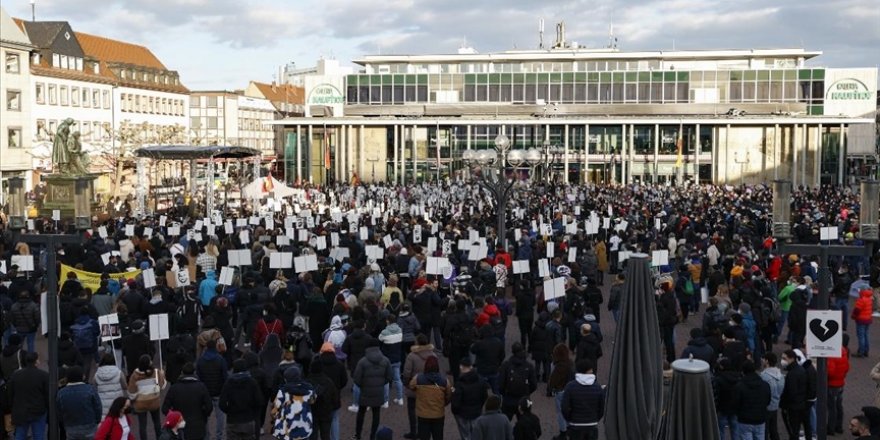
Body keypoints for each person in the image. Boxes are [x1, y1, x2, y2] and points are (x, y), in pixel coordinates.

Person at [162, 362, 213, 440]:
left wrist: (175, 417)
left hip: (180, 429)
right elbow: (209, 407)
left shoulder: (174, 388)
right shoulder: (201, 387)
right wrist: (203, 416)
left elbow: (165, 409)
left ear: (182, 372)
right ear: (194, 372)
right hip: (198, 427)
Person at [352, 340, 393, 440]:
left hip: (365, 391)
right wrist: (380, 384)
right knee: (376, 413)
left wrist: (363, 385)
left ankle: (358, 434)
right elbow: (389, 377)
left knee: (361, 412)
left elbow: (356, 379)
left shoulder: (362, 361)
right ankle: (373, 436)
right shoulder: (385, 360)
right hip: (378, 391)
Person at [219, 359, 264, 440]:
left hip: (233, 420)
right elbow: (259, 401)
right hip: (248, 419)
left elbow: (221, 403)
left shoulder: (229, 383)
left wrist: (229, 411)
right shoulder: (252, 382)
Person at [8, 351, 49, 440]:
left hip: (20, 410)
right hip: (38, 410)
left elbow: (10, 393)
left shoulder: (16, 375)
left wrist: (12, 408)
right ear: (36, 361)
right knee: (39, 436)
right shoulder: (43, 375)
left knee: (20, 435)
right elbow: (47, 394)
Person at [409, 355, 451, 440]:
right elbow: (448, 395)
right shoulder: (444, 381)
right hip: (438, 414)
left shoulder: (418, 378)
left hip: (423, 414)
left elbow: (411, 386)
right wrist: (443, 404)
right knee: (438, 436)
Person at [561, 359, 605, 440]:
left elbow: (564, 407)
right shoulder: (597, 387)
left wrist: (570, 419)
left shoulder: (570, 386)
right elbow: (602, 407)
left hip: (575, 425)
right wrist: (595, 418)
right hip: (592, 424)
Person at [402, 334, 435, 439]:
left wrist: (407, 384)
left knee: (412, 410)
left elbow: (407, 372)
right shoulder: (433, 356)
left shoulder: (412, 356)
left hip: (414, 387)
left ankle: (413, 431)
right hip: (428, 387)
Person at [56, 366, 102, 440]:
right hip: (89, 425)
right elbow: (98, 407)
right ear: (82, 376)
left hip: (70, 426)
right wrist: (97, 420)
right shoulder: (90, 389)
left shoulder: (61, 393)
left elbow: (59, 411)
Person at [127, 354, 167, 440]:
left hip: (141, 404)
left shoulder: (135, 375)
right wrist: (162, 376)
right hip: (154, 402)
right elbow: (162, 386)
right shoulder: (156, 372)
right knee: (157, 423)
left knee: (142, 426)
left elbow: (131, 393)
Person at [272, 365, 315, 440]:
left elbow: (275, 409)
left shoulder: (283, 391)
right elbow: (312, 401)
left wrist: (275, 418)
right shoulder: (309, 390)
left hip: (286, 429)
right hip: (304, 426)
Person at [196, 339, 228, 440]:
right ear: (215, 347)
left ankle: (207, 436)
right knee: (220, 417)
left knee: (205, 417)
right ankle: (219, 436)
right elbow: (225, 376)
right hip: (218, 392)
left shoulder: (201, 360)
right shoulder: (220, 359)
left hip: (205, 393)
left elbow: (198, 377)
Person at [451, 358, 489, 440]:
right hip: (476, 412)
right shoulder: (481, 381)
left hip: (463, 414)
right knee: (476, 434)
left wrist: (455, 412)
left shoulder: (459, 384)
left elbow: (455, 402)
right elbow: (484, 396)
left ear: (461, 367)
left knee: (466, 435)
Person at [498, 342, 537, 420]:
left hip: (508, 399)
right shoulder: (529, 366)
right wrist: (527, 392)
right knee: (525, 423)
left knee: (505, 422)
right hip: (525, 399)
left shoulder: (506, 365)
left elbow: (501, 384)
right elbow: (534, 385)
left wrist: (505, 394)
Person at [733, 360, 771, 439]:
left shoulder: (739, 386)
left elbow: (736, 403)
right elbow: (767, 401)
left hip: (745, 420)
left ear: (743, 371)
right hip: (760, 419)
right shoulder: (765, 385)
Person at [780, 349, 810, 440]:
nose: (782, 361)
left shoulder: (792, 374)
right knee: (801, 428)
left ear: (791, 359)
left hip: (793, 407)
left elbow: (791, 392)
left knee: (793, 431)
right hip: (801, 404)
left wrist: (784, 405)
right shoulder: (801, 370)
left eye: (784, 358)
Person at [305, 361, 339, 440]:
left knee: (313, 435)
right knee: (326, 435)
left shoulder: (307, 382)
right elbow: (335, 398)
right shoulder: (329, 382)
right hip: (326, 412)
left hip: (312, 413)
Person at [548, 343, 574, 439]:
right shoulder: (570, 363)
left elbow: (552, 381)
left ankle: (563, 432)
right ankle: (570, 429)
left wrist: (550, 388)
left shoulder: (558, 367)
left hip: (560, 392)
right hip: (569, 391)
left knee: (560, 413)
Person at [470, 325, 505, 395]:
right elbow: (502, 356)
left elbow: (472, 350)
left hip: (482, 370)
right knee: (496, 390)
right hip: (494, 369)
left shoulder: (480, 343)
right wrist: (498, 363)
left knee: (479, 390)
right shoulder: (498, 342)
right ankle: (499, 402)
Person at [828, 333, 851, 435]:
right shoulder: (844, 352)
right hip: (840, 383)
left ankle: (831, 428)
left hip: (832, 384)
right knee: (838, 406)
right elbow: (847, 368)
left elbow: (830, 372)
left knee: (832, 408)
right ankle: (839, 427)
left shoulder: (832, 354)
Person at [92, 352, 128, 417]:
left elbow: (94, 388)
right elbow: (125, 386)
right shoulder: (118, 372)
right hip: (117, 402)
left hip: (103, 403)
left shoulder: (97, 374)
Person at [759, 352, 785, 440]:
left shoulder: (764, 376)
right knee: (774, 429)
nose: (762, 361)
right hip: (775, 405)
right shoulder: (781, 375)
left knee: (764, 431)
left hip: (766, 407)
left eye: (763, 359)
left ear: (767, 361)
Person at [853, 289, 873, 357]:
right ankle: (866, 351)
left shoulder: (861, 299)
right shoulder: (869, 298)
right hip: (868, 319)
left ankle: (861, 352)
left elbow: (857, 310)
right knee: (866, 335)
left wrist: (853, 316)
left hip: (861, 320)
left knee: (861, 336)